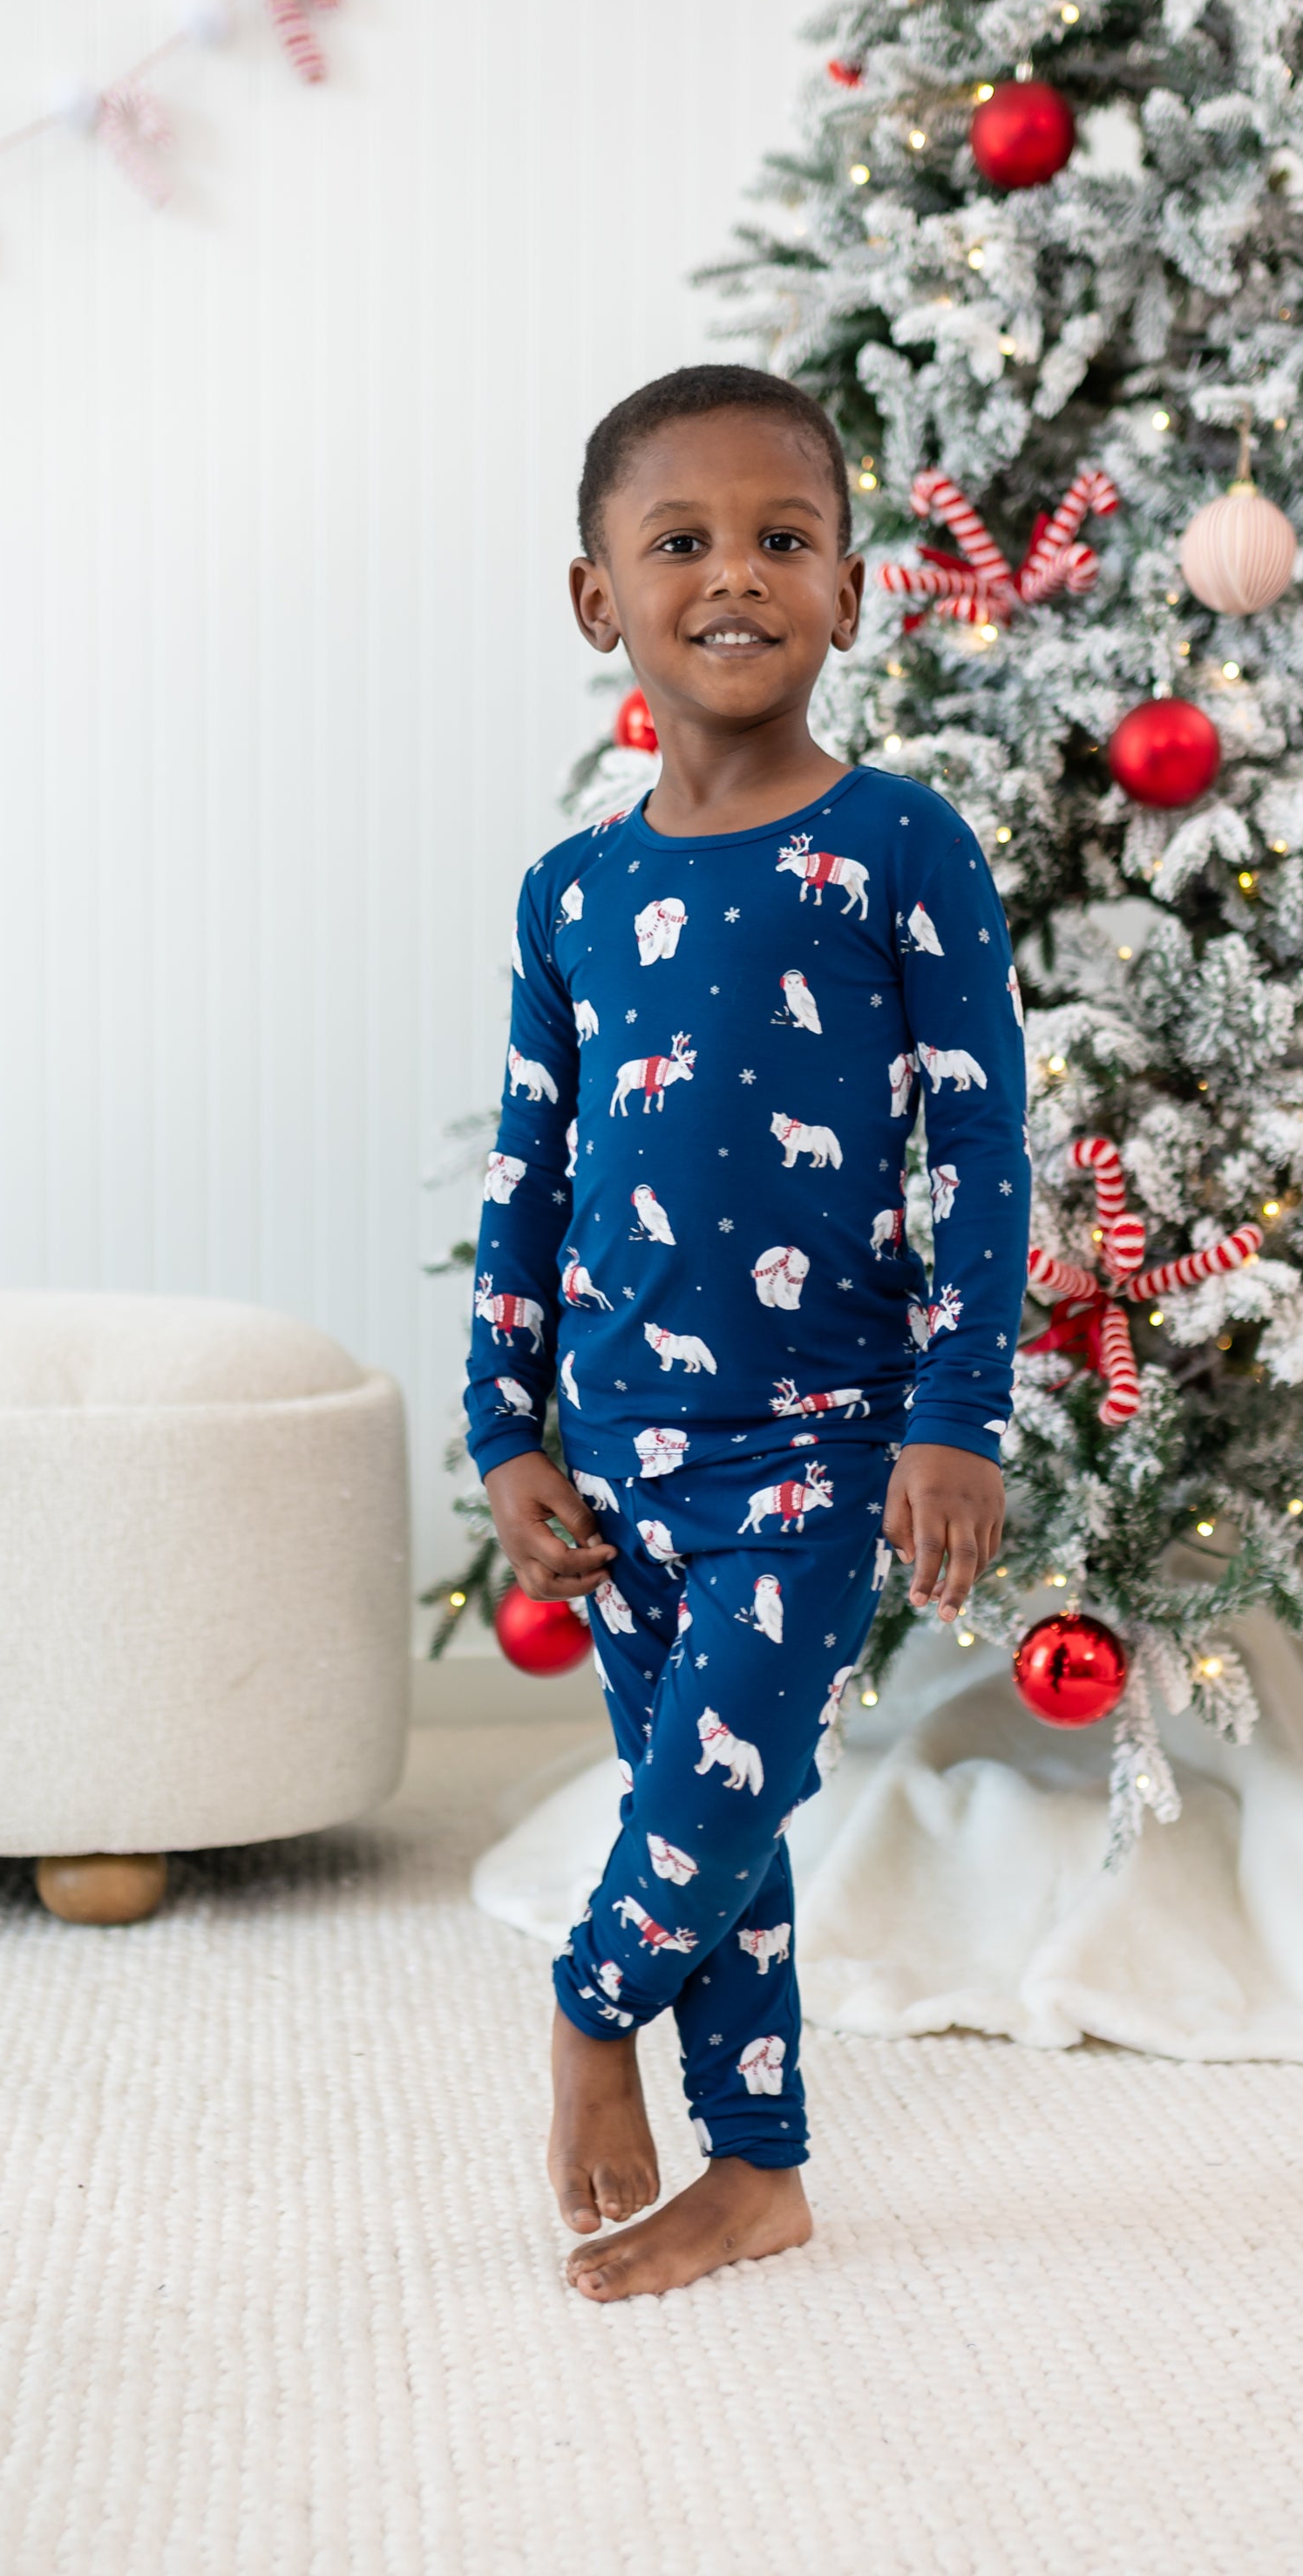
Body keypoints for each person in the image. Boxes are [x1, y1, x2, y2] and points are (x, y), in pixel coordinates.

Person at [463, 364, 1028, 2300]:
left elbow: (985, 1144)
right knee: (716, 1821)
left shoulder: (903, 853)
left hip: (818, 1439)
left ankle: (589, 2009)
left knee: (724, 1785)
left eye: (783, 538)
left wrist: (959, 1416)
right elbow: (530, 1174)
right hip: (616, 1457)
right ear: (595, 597)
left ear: (855, 593)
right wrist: (504, 1429)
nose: (734, 575)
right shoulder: (573, 892)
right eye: (679, 541)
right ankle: (764, 2169)